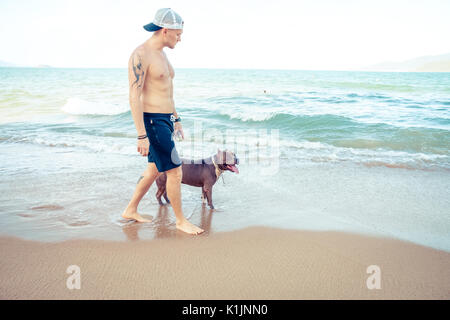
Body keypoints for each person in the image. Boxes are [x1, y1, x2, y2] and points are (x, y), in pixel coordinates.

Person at [121, 8, 204, 235]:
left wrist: (176, 119)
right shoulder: (141, 55)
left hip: (165, 120)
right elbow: (134, 95)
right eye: (178, 34)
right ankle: (180, 221)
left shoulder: (163, 55)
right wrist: (141, 135)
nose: (180, 38)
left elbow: (167, 91)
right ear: (165, 30)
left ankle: (130, 209)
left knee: (153, 169)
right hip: (152, 122)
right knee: (175, 172)